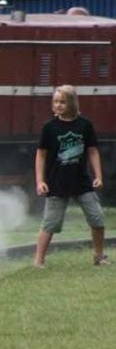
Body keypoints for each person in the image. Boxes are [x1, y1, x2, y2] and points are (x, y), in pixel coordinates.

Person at [33, 84, 108, 267]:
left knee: (97, 218)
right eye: (56, 102)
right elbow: (41, 155)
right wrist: (40, 181)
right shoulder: (49, 128)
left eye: (62, 102)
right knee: (50, 224)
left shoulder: (85, 125)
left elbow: (92, 151)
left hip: (81, 182)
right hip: (56, 183)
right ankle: (38, 261)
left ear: (72, 103)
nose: (58, 105)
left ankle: (99, 257)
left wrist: (98, 176)